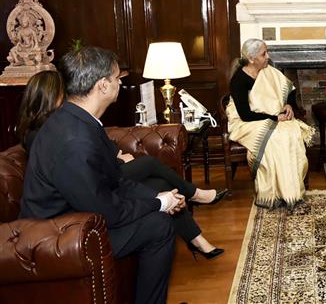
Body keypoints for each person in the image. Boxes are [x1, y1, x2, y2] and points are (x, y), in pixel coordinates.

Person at [20, 47, 181, 304]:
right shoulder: (75, 140)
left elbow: (115, 178)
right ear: (103, 85)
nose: (120, 82)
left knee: (157, 213)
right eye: (117, 78)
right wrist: (159, 204)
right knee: (159, 227)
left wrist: (159, 197)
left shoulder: (78, 120)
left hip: (78, 218)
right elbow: (107, 210)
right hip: (57, 235)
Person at [16, 70, 229, 261]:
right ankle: (193, 200)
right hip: (64, 223)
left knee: (158, 182)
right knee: (148, 167)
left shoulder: (75, 125)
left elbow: (103, 158)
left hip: (95, 187)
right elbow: (95, 193)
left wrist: (161, 199)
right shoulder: (55, 134)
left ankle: (194, 230)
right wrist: (157, 201)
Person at [227, 38, 315, 209]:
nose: (268, 56)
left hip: (274, 116)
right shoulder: (239, 80)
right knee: (276, 138)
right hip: (248, 122)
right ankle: (273, 193)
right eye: (264, 54)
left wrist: (289, 104)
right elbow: (245, 114)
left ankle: (291, 191)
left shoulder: (269, 71)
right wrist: (274, 118)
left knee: (291, 134)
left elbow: (289, 88)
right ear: (252, 59)